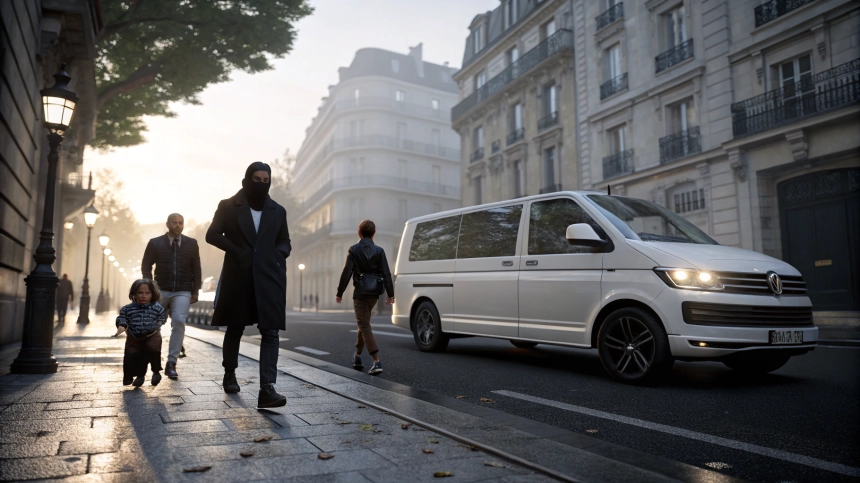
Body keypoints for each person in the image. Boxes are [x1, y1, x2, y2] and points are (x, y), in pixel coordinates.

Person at [206, 162, 292, 408]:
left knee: (271, 330)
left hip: (269, 277)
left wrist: (278, 255)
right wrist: (236, 252)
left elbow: (285, 241)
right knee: (235, 327)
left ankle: (267, 388)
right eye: (257, 179)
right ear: (246, 180)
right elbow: (212, 234)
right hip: (239, 275)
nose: (262, 184)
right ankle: (229, 373)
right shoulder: (228, 206)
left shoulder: (278, 210)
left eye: (266, 180)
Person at [141, 213, 202, 380]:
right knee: (154, 325)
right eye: (174, 223)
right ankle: (152, 361)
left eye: (181, 223)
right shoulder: (155, 243)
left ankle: (171, 363)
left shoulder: (191, 244)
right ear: (167, 224)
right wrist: (150, 288)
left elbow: (196, 268)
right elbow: (146, 266)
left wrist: (195, 291)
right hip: (160, 290)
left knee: (179, 321)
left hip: (183, 290)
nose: (178, 225)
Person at [336, 219, 394, 375]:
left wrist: (340, 292)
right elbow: (386, 273)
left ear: (359, 232)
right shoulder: (379, 251)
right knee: (363, 323)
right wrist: (390, 294)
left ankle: (376, 361)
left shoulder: (354, 250)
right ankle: (357, 356)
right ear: (374, 233)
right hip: (374, 292)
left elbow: (347, 272)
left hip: (361, 292)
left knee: (364, 324)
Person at [114, 279, 167, 387]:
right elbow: (122, 317)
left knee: (153, 352)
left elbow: (162, 318)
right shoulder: (127, 309)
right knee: (130, 355)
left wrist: (156, 326)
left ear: (153, 294)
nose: (143, 296)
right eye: (140, 293)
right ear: (134, 294)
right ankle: (130, 377)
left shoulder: (157, 308)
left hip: (152, 335)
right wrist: (122, 325)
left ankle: (156, 372)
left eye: (147, 293)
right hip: (134, 337)